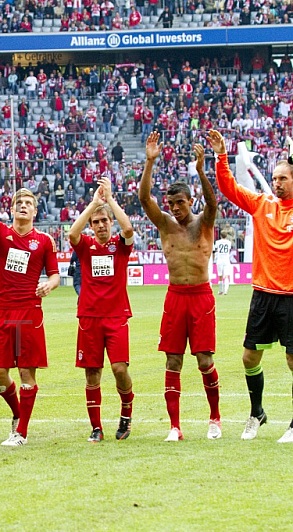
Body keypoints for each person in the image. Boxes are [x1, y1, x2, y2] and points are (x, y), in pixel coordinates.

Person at [207, 129, 293, 443]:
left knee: (292, 360)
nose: (277, 182)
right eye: (275, 178)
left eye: (283, 178)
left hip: (291, 298)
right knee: (249, 358)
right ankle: (257, 412)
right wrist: (221, 157)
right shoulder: (262, 205)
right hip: (263, 295)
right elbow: (229, 188)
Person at [140, 132, 221, 441]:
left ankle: (214, 418)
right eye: (171, 203)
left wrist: (201, 170)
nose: (174, 207)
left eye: (180, 202)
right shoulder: (165, 225)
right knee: (173, 360)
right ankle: (175, 426)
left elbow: (213, 203)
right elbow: (145, 199)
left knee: (205, 360)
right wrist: (150, 162)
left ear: (190, 201)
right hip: (175, 297)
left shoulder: (204, 222)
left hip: (201, 296)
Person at [0, 169, 60, 446]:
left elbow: (55, 274)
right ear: (11, 209)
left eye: (28, 204)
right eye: (18, 203)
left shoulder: (44, 241)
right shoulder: (1, 233)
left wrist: (50, 284)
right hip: (3, 311)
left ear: (35, 211)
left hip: (29, 311)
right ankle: (18, 414)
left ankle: (20, 433)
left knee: (26, 372)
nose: (23, 206)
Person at [68, 177, 135, 443]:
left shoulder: (119, 247)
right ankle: (96, 427)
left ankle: (126, 415)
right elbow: (72, 234)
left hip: (116, 316)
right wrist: (94, 204)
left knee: (119, 369)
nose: (100, 225)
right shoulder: (85, 246)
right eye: (96, 222)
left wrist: (110, 202)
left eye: (104, 221)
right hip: (89, 317)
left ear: (110, 222)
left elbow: (128, 229)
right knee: (92, 373)